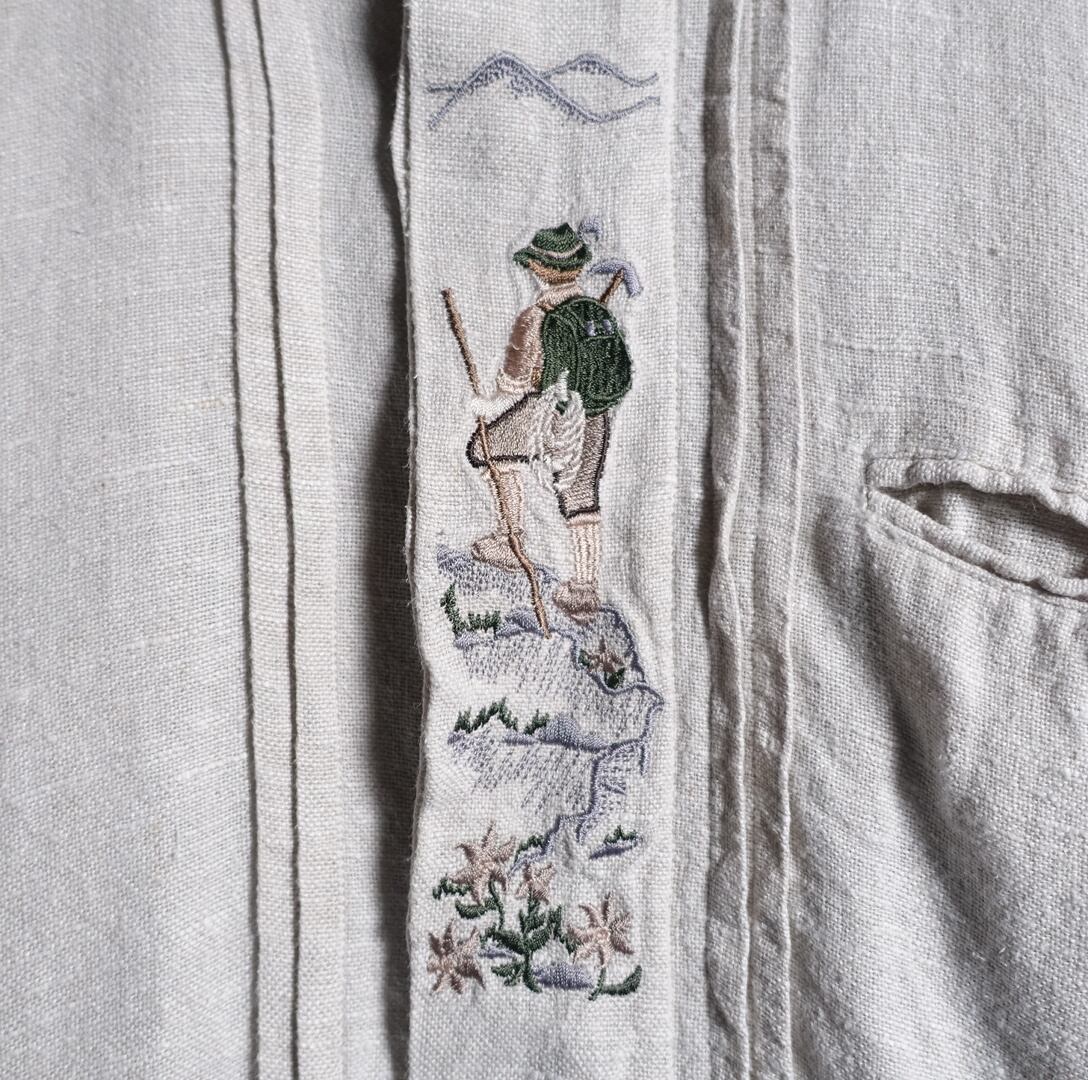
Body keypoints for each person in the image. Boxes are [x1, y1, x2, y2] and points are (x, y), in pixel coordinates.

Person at [466, 223, 633, 624]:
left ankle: (510, 539)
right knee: (582, 495)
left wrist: (486, 401)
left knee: (486, 448)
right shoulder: (597, 313)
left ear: (538, 269)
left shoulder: (536, 316)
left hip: (549, 412)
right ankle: (585, 589)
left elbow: (514, 382)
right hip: (593, 415)